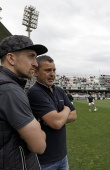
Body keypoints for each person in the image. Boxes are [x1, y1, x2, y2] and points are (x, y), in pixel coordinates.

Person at [0, 35, 47, 169]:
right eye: (30, 56)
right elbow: (39, 146)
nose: (36, 63)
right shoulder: (10, 89)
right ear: (11, 58)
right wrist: (40, 131)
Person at [27, 55, 77, 170]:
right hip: (44, 160)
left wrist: (57, 117)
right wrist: (67, 109)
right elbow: (57, 123)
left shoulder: (59, 90)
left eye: (54, 70)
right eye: (47, 70)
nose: (52, 74)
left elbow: (74, 115)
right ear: (36, 72)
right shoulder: (35, 93)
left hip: (62, 156)